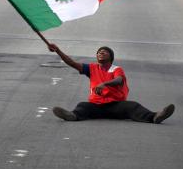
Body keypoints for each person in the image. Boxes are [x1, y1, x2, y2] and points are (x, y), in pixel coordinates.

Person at [47, 43, 175, 124]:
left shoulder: (116, 69)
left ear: (111, 57)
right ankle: (72, 116)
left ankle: (155, 116)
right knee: (82, 105)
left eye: (104, 52)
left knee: (133, 106)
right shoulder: (91, 68)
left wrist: (105, 84)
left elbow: (119, 80)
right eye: (98, 52)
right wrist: (58, 50)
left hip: (115, 105)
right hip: (96, 106)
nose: (100, 53)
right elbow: (72, 63)